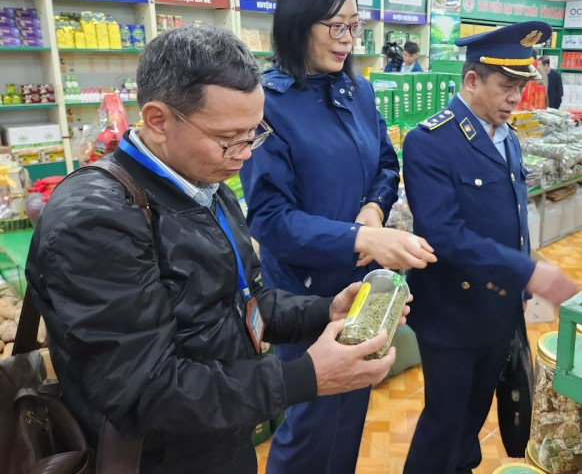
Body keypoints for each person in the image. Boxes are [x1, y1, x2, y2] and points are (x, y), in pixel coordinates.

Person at [24, 25, 400, 474]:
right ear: (158, 120)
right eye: (228, 137)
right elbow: (143, 391)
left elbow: (244, 305)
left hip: (222, 440)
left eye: (254, 133)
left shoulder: (205, 184)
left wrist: (326, 310)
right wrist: (305, 376)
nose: (244, 153)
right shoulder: (97, 219)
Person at [239, 0, 436, 474]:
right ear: (297, 23)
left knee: (352, 409)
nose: (349, 38)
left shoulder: (359, 91)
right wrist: (360, 237)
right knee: (311, 424)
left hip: (363, 285)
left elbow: (385, 164)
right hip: (305, 293)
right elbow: (271, 219)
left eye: (356, 25)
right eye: (337, 26)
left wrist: (373, 211)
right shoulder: (265, 105)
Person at [401, 21, 578, 474]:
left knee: (473, 414)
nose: (515, 97)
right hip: (453, 312)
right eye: (506, 85)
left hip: (498, 307)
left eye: (522, 85)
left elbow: (509, 224)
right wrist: (527, 271)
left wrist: (519, 279)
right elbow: (444, 233)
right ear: (472, 80)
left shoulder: (509, 137)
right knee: (445, 422)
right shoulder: (430, 141)